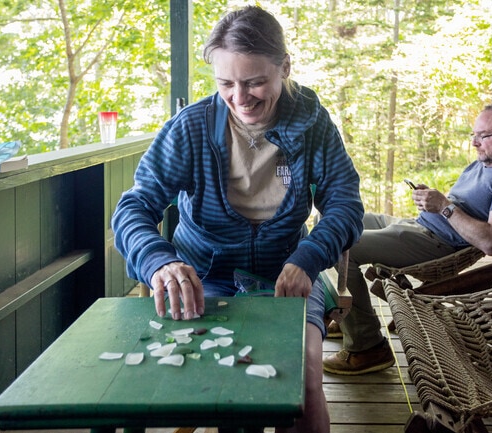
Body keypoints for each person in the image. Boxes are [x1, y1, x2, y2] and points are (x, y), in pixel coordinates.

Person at [111, 6, 364, 432]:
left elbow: (345, 203)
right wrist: (160, 262)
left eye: (255, 82)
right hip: (204, 279)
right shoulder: (189, 129)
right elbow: (133, 209)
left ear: (284, 67)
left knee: (302, 375)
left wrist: (308, 257)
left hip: (287, 273)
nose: (240, 97)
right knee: (217, 378)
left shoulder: (315, 124)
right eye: (225, 83)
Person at [323, 103, 492, 375]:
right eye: (473, 134)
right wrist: (433, 201)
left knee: (340, 246)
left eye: (482, 136)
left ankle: (367, 345)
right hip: (417, 225)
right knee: (338, 220)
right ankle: (349, 317)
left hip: (436, 242)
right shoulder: (482, 164)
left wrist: (444, 207)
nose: (474, 142)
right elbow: (456, 206)